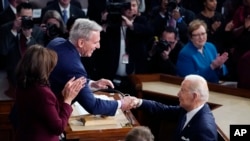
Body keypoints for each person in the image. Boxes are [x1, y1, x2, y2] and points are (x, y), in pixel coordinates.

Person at [48, 18, 134, 116]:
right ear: (81, 43)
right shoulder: (75, 68)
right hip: (51, 114)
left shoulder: (56, 42)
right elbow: (94, 106)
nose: (98, 46)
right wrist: (121, 103)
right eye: (95, 42)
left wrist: (92, 83)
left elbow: (65, 76)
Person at [15, 44, 86, 141]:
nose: (51, 70)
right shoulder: (42, 92)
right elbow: (58, 128)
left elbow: (45, 109)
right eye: (50, 67)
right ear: (42, 69)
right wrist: (68, 100)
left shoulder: (25, 84)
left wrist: (63, 95)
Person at [131, 74, 218, 141]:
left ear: (194, 96)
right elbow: (163, 110)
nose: (178, 94)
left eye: (183, 90)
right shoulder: (187, 109)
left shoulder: (204, 130)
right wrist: (138, 102)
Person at [97, 0, 153, 93]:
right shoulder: (114, 22)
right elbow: (102, 43)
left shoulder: (142, 21)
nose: (130, 8)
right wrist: (104, 22)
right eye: (127, 6)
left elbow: (149, 32)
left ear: (138, 7)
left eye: (134, 5)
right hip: (113, 76)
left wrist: (131, 25)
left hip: (134, 78)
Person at [0, 2, 44, 97]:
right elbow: (3, 51)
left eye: (30, 18)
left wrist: (29, 37)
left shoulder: (37, 31)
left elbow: (40, 55)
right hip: (10, 77)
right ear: (17, 16)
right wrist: (14, 31)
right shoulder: (5, 29)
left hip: (33, 75)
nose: (27, 20)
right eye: (24, 17)